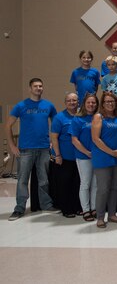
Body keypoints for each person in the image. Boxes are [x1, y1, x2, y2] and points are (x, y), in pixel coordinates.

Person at [7, 78, 58, 221]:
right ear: (30, 88)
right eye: (35, 86)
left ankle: (46, 205)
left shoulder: (49, 105)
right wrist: (12, 145)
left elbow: (56, 124)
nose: (38, 88)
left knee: (44, 179)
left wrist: (53, 142)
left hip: (43, 149)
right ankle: (19, 208)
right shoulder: (21, 106)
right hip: (25, 149)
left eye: (40, 86)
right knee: (22, 180)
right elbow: (8, 125)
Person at [91, 92, 117, 228]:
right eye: (107, 101)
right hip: (103, 157)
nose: (110, 104)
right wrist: (111, 152)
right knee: (103, 189)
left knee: (114, 188)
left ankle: (112, 214)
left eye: (112, 101)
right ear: (103, 103)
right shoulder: (98, 117)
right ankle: (100, 217)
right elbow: (96, 139)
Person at [51, 92, 81, 218]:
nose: (72, 103)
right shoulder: (59, 118)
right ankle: (67, 209)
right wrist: (58, 155)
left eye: (74, 100)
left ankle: (78, 207)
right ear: (65, 103)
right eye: (69, 100)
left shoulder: (81, 116)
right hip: (64, 158)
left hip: (80, 157)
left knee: (78, 184)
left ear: (78, 102)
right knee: (65, 184)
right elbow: (54, 138)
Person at [70, 93, 99, 222]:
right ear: (84, 104)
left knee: (95, 184)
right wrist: (87, 152)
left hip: (98, 156)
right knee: (85, 183)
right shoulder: (78, 119)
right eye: (89, 102)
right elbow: (74, 140)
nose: (91, 105)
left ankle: (94, 208)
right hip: (83, 156)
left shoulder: (98, 118)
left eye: (93, 103)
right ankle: (86, 210)